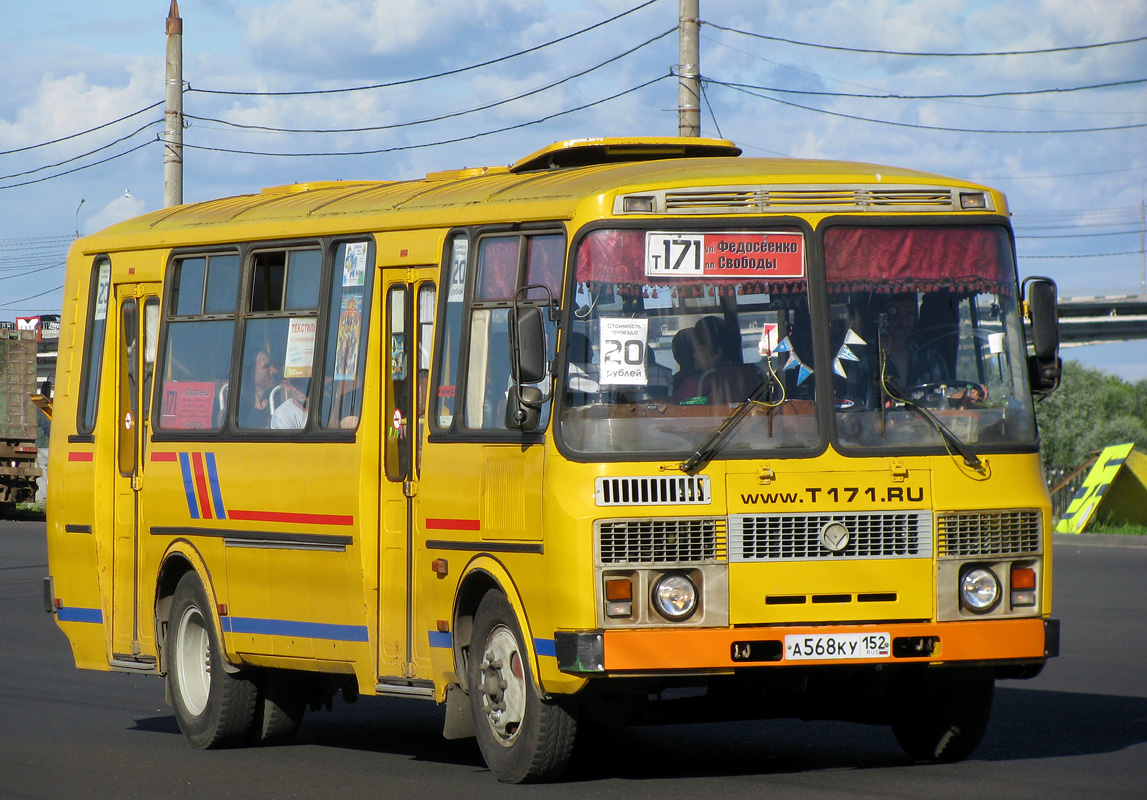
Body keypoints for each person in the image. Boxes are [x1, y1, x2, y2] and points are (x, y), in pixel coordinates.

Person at [238, 348, 279, 428]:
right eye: (266, 366)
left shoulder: (279, 401)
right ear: (252, 371)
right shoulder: (238, 409)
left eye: (273, 366)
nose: (273, 371)